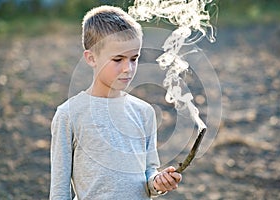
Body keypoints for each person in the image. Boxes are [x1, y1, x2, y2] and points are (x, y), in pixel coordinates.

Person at [49, 5, 182, 200]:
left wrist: (158, 182)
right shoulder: (69, 114)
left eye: (134, 58)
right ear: (91, 58)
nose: (128, 68)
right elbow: (59, 191)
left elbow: (149, 174)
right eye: (118, 59)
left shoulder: (144, 112)